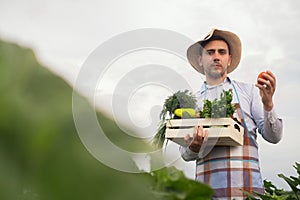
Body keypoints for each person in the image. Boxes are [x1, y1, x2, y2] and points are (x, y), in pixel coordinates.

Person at [180, 29, 283, 199]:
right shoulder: (192, 102)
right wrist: (193, 147)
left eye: (222, 52)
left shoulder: (249, 92)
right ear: (200, 60)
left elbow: (274, 137)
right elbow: (184, 154)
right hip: (208, 193)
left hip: (248, 192)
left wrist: (268, 104)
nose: (216, 56)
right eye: (210, 52)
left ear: (229, 59)